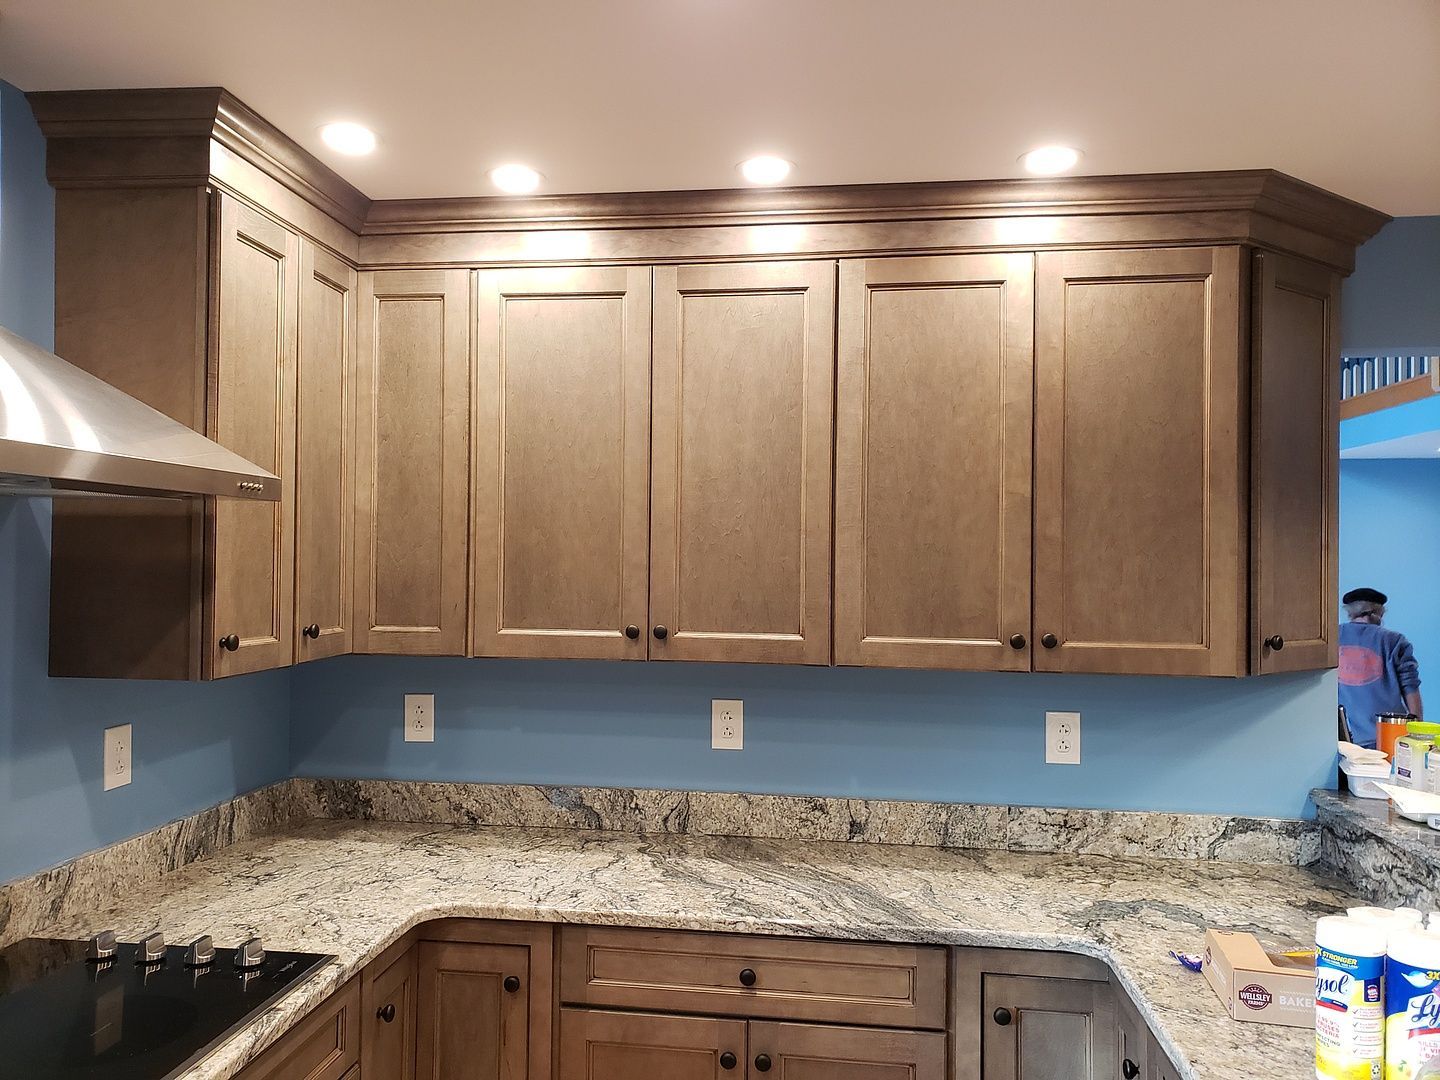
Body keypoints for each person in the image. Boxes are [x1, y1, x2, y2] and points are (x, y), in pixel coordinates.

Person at [1338, 587, 1423, 748]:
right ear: (1379, 613)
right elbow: (1410, 687)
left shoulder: (1334, 637)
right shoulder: (1394, 641)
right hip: (1388, 735)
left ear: (1350, 612)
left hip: (1342, 737)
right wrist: (1418, 731)